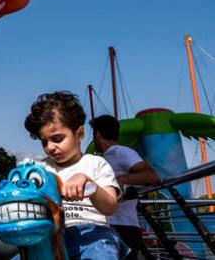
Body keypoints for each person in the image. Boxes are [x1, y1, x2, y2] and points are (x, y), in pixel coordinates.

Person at [24, 91, 127, 259]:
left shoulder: (95, 164)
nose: (50, 147)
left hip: (92, 234)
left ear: (79, 134)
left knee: (101, 252)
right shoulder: (39, 169)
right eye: (44, 142)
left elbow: (110, 207)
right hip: (50, 236)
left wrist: (89, 184)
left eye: (57, 139)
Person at [91, 114, 160, 260]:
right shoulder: (105, 158)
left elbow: (152, 176)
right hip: (109, 226)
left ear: (97, 134)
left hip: (123, 228)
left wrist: (122, 181)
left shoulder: (120, 152)